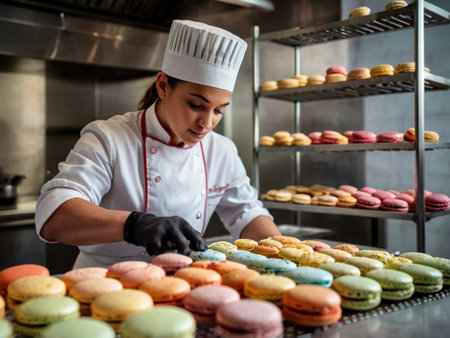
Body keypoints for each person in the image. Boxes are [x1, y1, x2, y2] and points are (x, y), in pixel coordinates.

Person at [35, 20, 281, 268]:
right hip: (105, 278)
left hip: (183, 280)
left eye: (218, 110)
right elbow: (54, 214)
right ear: (163, 86)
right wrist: (134, 225)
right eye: (196, 105)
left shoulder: (222, 151)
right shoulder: (109, 138)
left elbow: (247, 214)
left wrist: (285, 255)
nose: (206, 123)